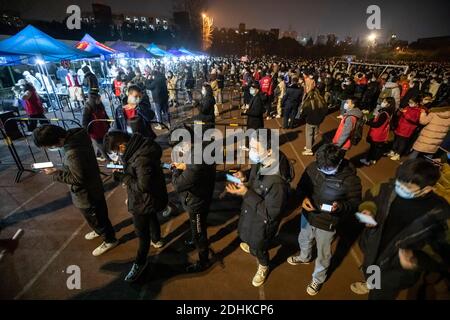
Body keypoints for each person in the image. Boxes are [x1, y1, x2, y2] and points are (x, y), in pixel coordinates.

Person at [351, 159, 450, 300]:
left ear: (427, 189)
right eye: (399, 182)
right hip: (375, 247)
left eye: (407, 188)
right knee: (372, 270)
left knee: (381, 294)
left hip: (397, 267)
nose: (399, 188)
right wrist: (368, 209)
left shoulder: (440, 212)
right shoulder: (388, 187)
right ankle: (371, 282)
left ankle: (376, 289)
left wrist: (418, 259)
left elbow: (445, 251)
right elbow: (372, 196)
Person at [288, 143, 362, 295]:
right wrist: (302, 199)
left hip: (328, 222)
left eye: (327, 168)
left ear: (338, 163)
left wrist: (340, 207)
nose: (322, 169)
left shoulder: (351, 180)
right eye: (320, 166)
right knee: (304, 238)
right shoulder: (313, 167)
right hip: (308, 215)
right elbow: (302, 187)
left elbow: (354, 203)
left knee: (323, 253)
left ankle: (318, 278)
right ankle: (304, 257)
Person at [32, 125, 117, 256]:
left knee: (97, 217)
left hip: (87, 193)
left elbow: (78, 179)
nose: (50, 148)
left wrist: (55, 173)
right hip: (94, 186)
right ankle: (101, 231)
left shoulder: (73, 153)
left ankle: (110, 240)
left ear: (57, 140)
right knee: (99, 215)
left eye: (49, 146)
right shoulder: (79, 136)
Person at [227, 131, 292, 287]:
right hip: (251, 215)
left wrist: (246, 193)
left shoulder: (278, 183)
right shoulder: (261, 160)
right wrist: (244, 178)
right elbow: (254, 179)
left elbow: (270, 214)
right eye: (251, 147)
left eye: (255, 148)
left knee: (259, 247)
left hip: (262, 224)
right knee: (250, 239)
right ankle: (252, 245)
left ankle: (264, 265)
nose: (251, 151)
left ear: (269, 150)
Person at [104, 131, 168, 282]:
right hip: (149, 198)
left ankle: (140, 262)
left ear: (122, 145)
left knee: (142, 234)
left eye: (116, 151)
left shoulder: (141, 158)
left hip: (142, 200)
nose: (117, 154)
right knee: (151, 217)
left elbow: (142, 185)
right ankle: (157, 239)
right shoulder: (141, 144)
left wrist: (122, 177)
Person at [170, 127, 216, 272]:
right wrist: (185, 165)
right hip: (203, 194)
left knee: (199, 231)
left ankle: (203, 260)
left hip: (197, 201)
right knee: (198, 224)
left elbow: (178, 185)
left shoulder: (195, 161)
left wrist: (176, 170)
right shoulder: (204, 147)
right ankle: (195, 240)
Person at [360, 97, 395, 166]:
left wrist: (367, 122)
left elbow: (377, 124)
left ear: (389, 104)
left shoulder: (384, 114)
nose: (383, 103)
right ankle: (373, 159)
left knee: (373, 148)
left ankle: (368, 160)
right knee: (375, 148)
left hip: (377, 133)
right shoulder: (388, 112)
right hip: (381, 133)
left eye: (385, 102)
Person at [387, 97, 422, 161]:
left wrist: (405, 113)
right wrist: (400, 112)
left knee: (402, 142)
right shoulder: (407, 107)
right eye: (409, 102)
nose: (409, 104)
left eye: (411, 103)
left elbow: (414, 120)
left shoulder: (418, 111)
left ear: (416, 103)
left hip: (407, 130)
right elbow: (401, 115)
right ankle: (393, 151)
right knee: (396, 140)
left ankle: (398, 154)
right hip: (400, 127)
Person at [82, 89, 110, 161]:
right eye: (98, 98)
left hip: (103, 128)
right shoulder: (87, 107)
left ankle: (99, 154)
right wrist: (87, 132)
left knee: (104, 143)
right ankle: (109, 160)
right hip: (95, 132)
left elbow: (105, 114)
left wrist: (108, 122)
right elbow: (84, 122)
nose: (100, 99)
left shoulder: (100, 104)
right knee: (101, 145)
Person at [299, 88, 328, 155]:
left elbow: (304, 113)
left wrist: (303, 116)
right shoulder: (322, 101)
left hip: (310, 121)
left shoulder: (308, 102)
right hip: (318, 121)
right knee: (315, 134)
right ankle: (309, 145)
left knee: (309, 134)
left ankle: (309, 149)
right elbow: (326, 110)